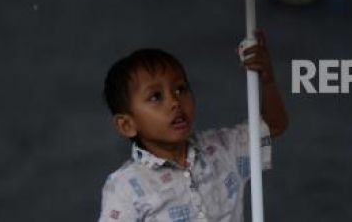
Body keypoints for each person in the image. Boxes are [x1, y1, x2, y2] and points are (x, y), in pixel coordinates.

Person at [98, 31, 289, 222]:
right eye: (156, 96)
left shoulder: (223, 148)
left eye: (180, 89)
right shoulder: (125, 187)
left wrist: (267, 81)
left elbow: (274, 125)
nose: (175, 101)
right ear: (127, 125)